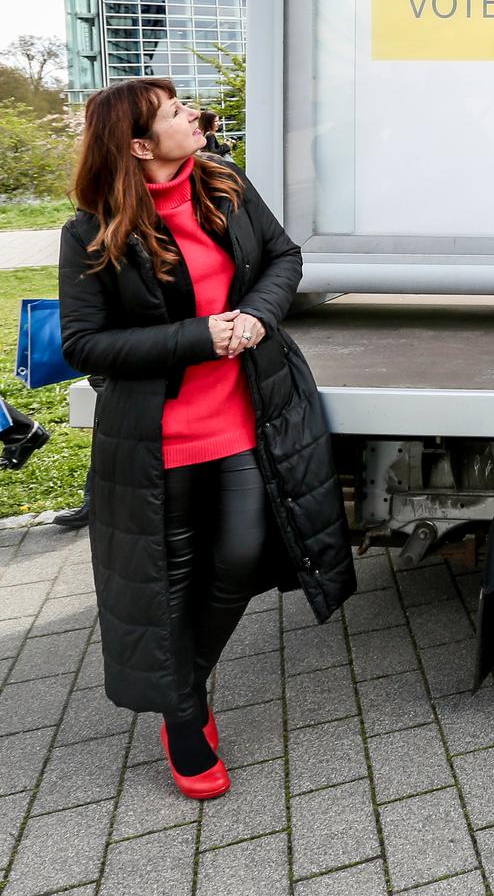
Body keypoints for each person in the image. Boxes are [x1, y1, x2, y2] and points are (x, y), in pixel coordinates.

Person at [58, 80, 355, 800]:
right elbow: (84, 344)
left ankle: (182, 689)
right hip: (157, 440)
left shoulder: (224, 183)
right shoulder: (90, 229)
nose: (195, 115)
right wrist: (200, 336)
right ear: (136, 144)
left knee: (243, 555)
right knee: (173, 582)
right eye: (174, 112)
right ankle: (185, 721)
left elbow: (285, 258)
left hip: (246, 416)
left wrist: (254, 313)